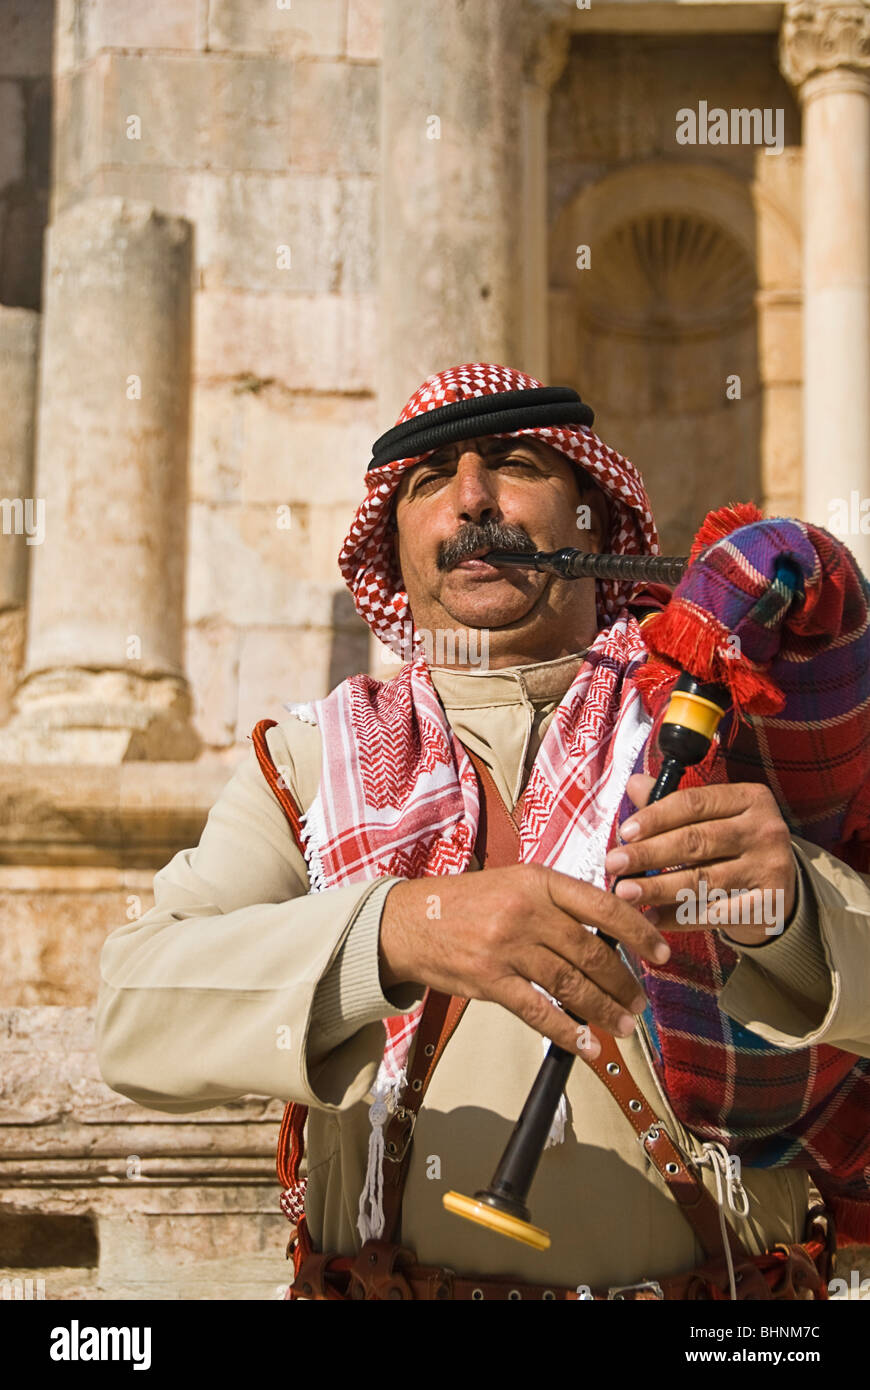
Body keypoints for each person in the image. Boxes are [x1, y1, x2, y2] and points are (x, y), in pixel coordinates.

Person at [96, 363, 870, 1301]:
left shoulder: (728, 718)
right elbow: (135, 1013)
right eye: (429, 481)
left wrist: (793, 915)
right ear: (394, 548)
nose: (471, 500)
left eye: (512, 463)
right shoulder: (308, 761)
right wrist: (399, 931)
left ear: (597, 520)